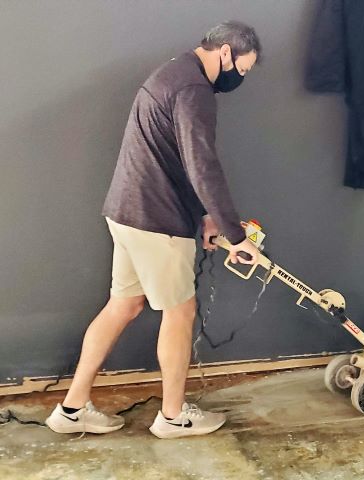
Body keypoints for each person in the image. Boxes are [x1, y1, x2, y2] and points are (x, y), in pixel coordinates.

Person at [45, 21, 262, 439]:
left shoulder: (172, 72)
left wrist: (207, 215)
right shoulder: (195, 90)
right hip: (157, 221)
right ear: (225, 53)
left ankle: (71, 410)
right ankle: (173, 416)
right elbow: (202, 165)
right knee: (180, 312)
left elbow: (174, 156)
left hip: (126, 212)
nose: (240, 78)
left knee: (123, 305)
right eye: (242, 69)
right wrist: (237, 238)